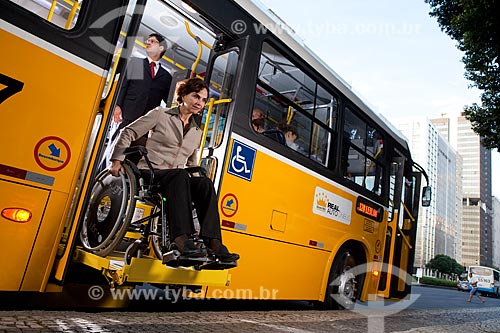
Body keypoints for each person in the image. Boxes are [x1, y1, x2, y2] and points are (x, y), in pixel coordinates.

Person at [109, 78, 239, 264]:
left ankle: (214, 243)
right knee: (180, 176)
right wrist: (116, 160)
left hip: (176, 179)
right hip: (151, 173)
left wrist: (197, 186)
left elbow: (192, 163)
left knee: (204, 183)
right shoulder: (160, 114)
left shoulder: (196, 131)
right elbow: (128, 132)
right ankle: (180, 240)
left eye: (203, 100)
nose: (199, 103)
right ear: (183, 95)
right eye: (195, 96)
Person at [113, 33, 173, 138]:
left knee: (136, 151)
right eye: (147, 41)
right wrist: (117, 105)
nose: (148, 43)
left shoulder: (166, 76)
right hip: (128, 115)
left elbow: (168, 99)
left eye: (152, 41)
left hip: (147, 121)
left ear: (161, 47)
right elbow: (123, 86)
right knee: (118, 145)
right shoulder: (135, 63)